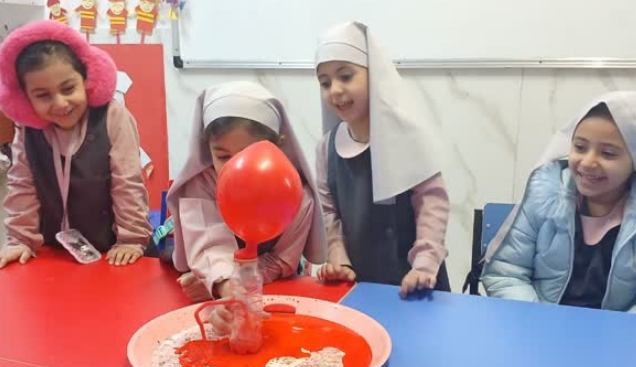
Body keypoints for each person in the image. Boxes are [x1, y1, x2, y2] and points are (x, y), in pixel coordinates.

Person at [482, 91, 636, 317]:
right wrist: (540, 321)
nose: (588, 162)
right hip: (539, 326)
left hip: (620, 335)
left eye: (608, 153)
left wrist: (616, 332)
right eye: (580, 147)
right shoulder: (544, 195)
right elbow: (506, 273)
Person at [0, 20, 153, 268]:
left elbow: (127, 182)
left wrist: (131, 239)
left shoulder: (113, 116)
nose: (60, 103)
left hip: (113, 249)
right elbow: (22, 187)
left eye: (68, 88)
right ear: (26, 99)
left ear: (86, 79)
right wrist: (20, 239)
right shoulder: (27, 129)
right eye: (43, 95)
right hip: (55, 253)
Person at [314, 21, 451, 298]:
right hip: (359, 285)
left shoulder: (406, 135)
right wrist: (338, 259)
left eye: (346, 76)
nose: (335, 90)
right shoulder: (326, 147)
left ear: (373, 75)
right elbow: (328, 212)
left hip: (414, 283)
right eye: (325, 83)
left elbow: (432, 204)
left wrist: (424, 264)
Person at [167, 81, 326, 302]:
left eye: (247, 154)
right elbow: (209, 246)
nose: (236, 168)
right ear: (208, 149)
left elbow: (282, 260)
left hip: (276, 293)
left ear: (278, 145)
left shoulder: (297, 195)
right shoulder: (200, 186)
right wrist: (221, 281)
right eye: (223, 156)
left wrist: (240, 281)